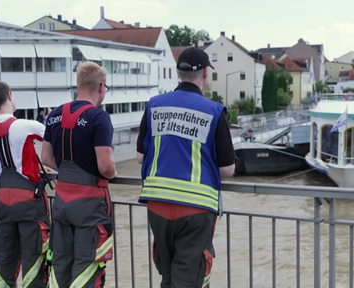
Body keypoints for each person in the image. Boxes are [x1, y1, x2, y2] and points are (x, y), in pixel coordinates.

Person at [136, 47, 236, 288]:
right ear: (205, 74)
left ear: (179, 74)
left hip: (157, 205)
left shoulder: (155, 105)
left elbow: (140, 157)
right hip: (195, 208)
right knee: (190, 280)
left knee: (168, 277)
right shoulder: (214, 111)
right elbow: (227, 170)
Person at [41, 62, 117, 287]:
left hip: (62, 200)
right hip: (90, 204)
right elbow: (105, 167)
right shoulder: (98, 117)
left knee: (60, 262)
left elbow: (45, 158)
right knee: (87, 265)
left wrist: (67, 171)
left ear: (79, 85)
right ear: (101, 86)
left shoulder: (55, 114)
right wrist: (112, 171)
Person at [0, 81, 50, 287]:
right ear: (9, 95)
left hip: (4, 201)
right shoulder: (26, 126)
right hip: (29, 201)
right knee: (34, 259)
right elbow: (53, 140)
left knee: (4, 261)